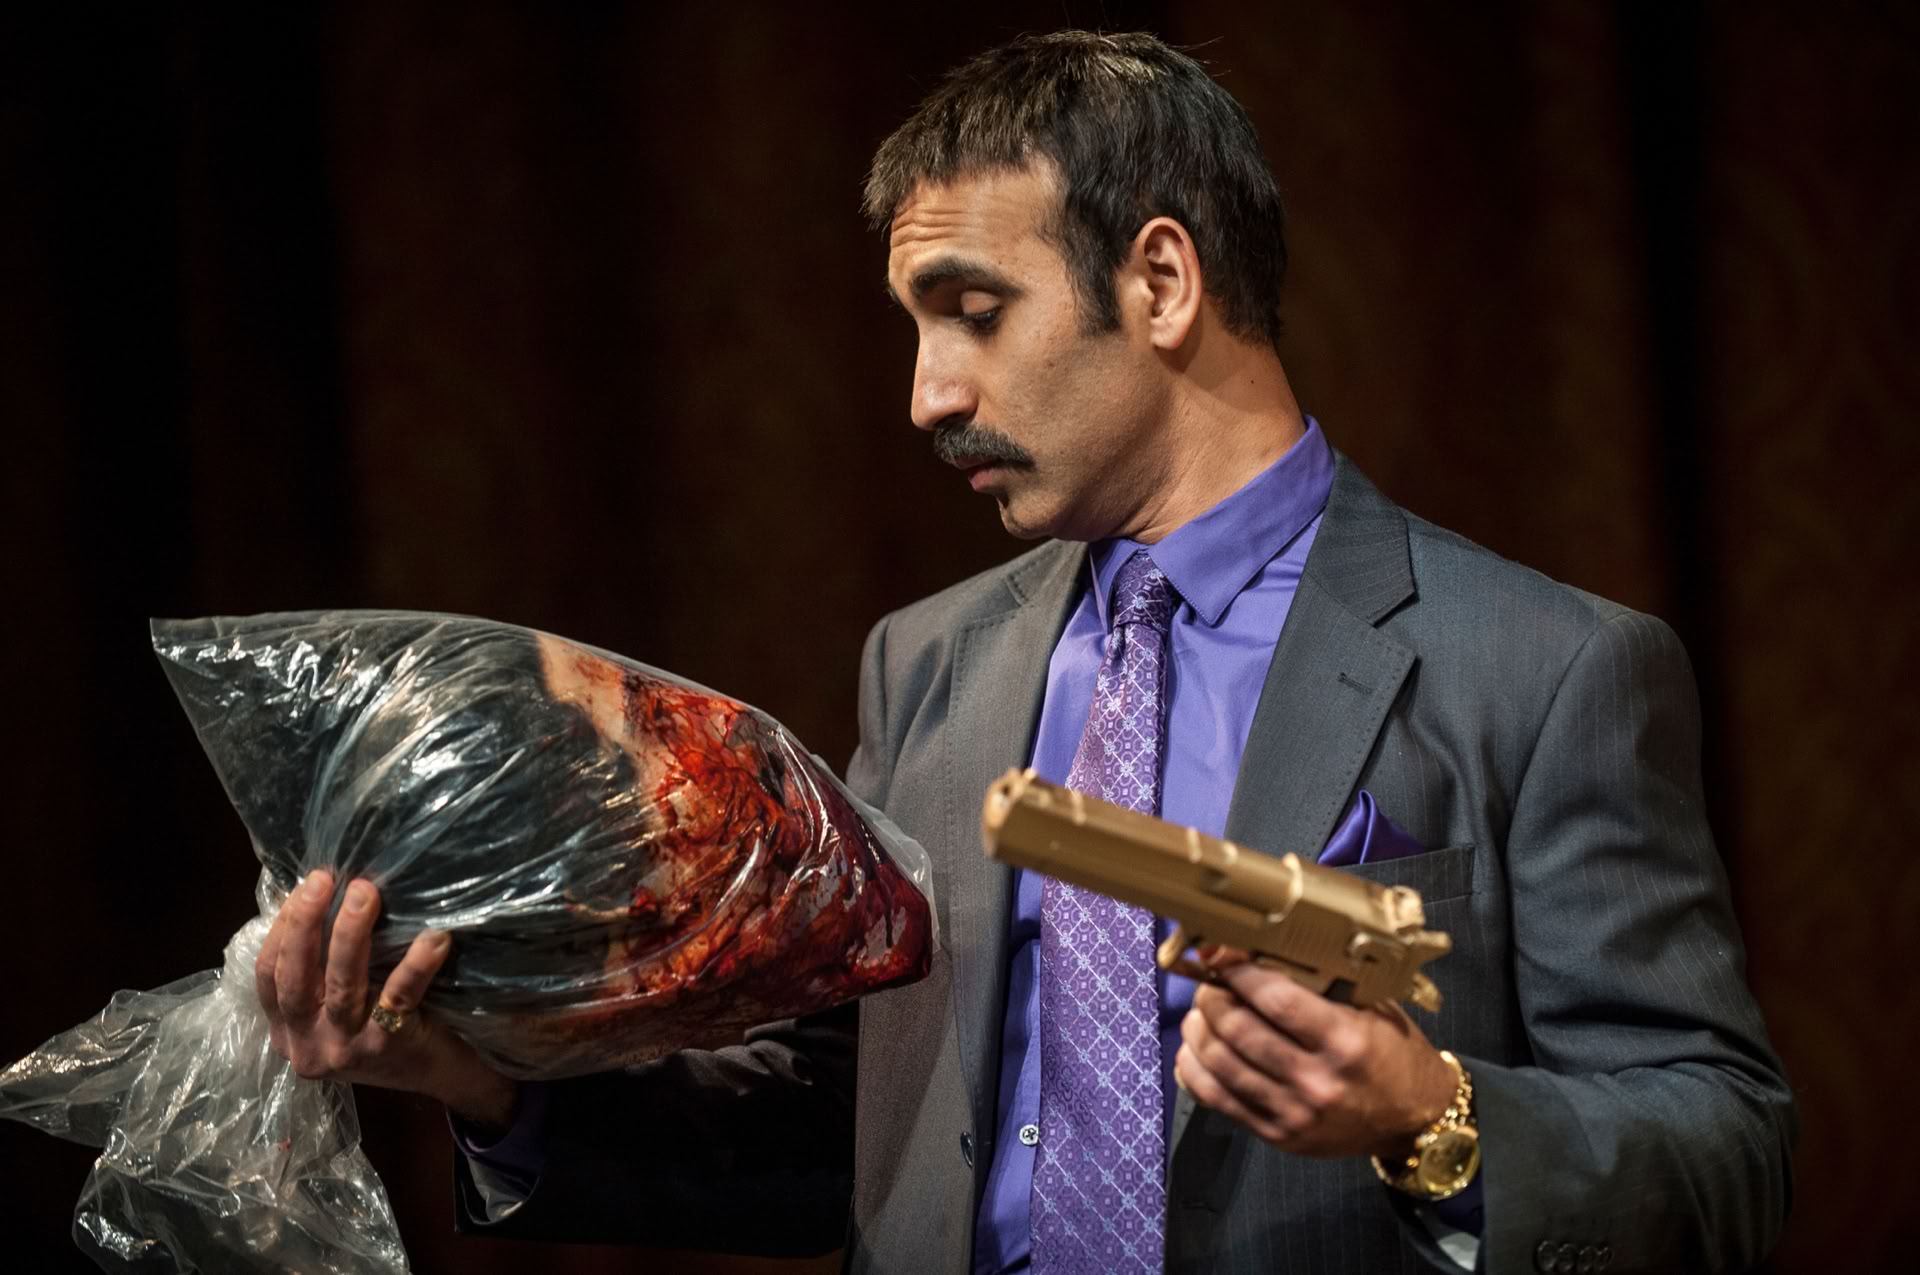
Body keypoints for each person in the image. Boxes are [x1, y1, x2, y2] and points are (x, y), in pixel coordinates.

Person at [254, 30, 1795, 1274]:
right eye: (915, 326)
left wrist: (1429, 1112)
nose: (927, 395)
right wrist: (477, 1075)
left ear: (1162, 282)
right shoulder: (924, 665)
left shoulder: (1546, 667)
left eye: (972, 312)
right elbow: (850, 1133)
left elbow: (1725, 1151)